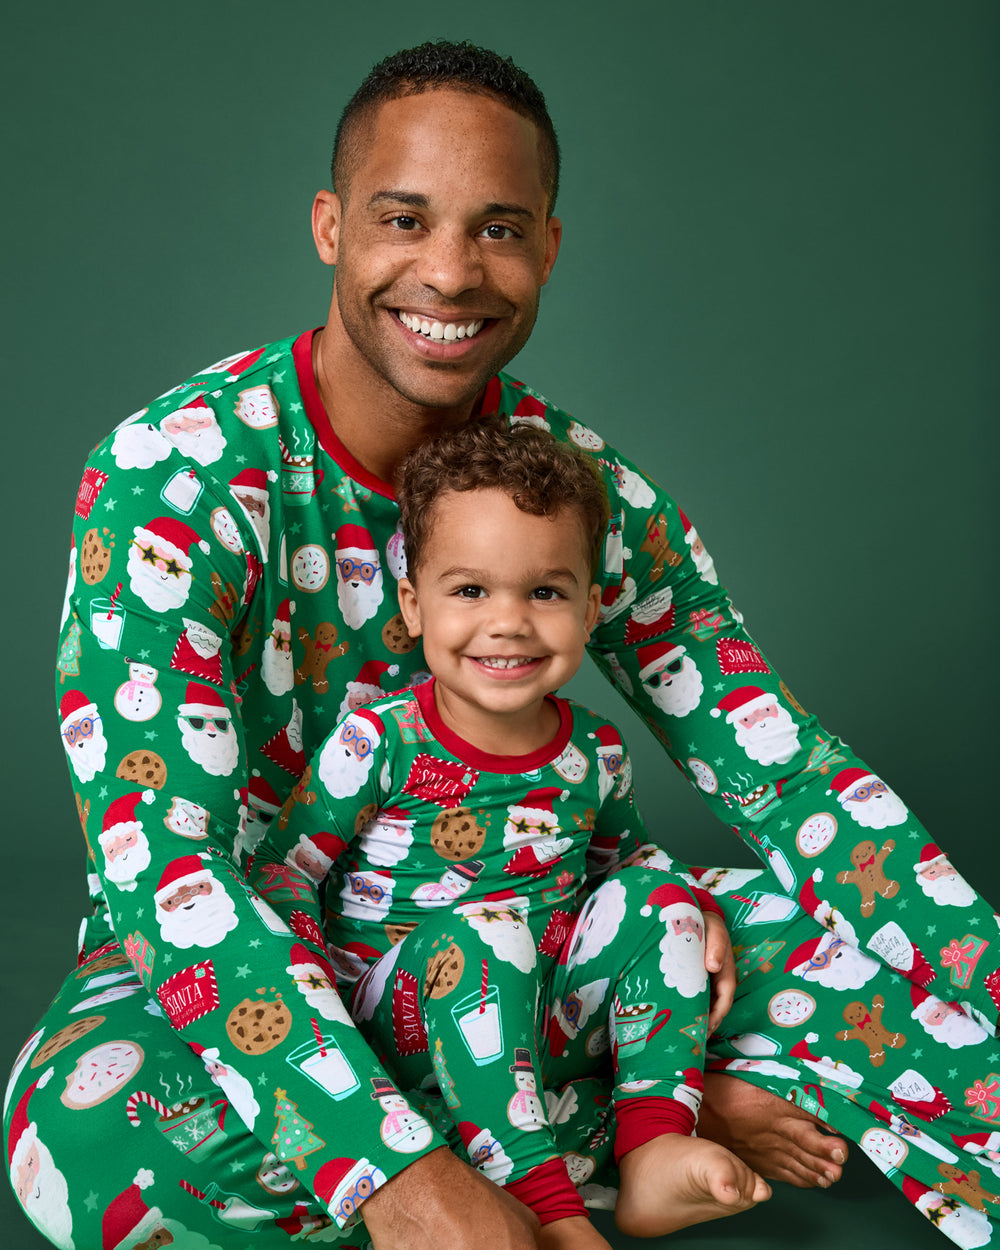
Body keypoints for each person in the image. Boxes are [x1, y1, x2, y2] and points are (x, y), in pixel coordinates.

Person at [4, 37, 998, 1250]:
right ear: (329, 226)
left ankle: (599, 1112)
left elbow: (782, 768)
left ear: (548, 248)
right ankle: (650, 1112)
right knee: (100, 1138)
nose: (450, 272)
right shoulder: (174, 477)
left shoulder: (583, 489)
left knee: (883, 987)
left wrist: (984, 973)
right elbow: (169, 877)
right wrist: (393, 1177)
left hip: (539, 948)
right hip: (255, 977)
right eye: (403, 218)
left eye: (499, 229)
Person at [249, 417, 770, 1246]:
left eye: (545, 592)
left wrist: (682, 904)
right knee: (486, 934)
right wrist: (321, 1005)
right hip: (399, 1016)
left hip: (536, 1017)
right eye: (469, 591)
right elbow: (283, 875)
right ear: (415, 607)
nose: (509, 622)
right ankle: (550, 1206)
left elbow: (624, 860)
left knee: (659, 892)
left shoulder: (594, 747)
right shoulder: (376, 741)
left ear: (592, 607)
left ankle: (655, 1145)